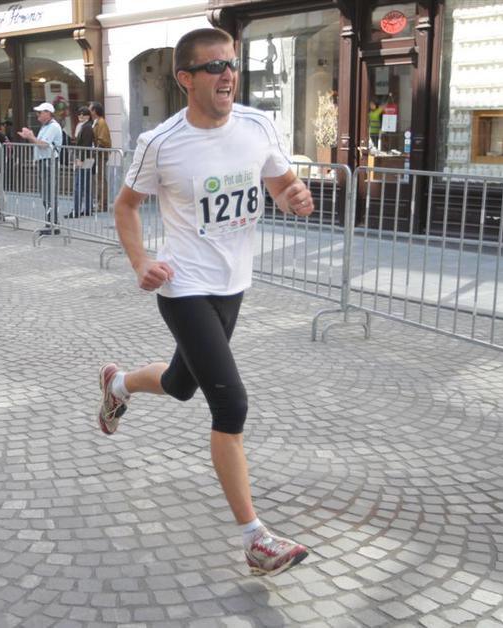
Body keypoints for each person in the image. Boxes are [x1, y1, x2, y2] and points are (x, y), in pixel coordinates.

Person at [96, 27, 316, 577]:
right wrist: (141, 263)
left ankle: (119, 385)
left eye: (232, 65)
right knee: (230, 404)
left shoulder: (258, 125)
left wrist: (293, 197)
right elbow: (126, 207)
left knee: (180, 384)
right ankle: (255, 539)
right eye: (214, 66)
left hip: (233, 284)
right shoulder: (162, 142)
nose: (228, 75)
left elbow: (281, 184)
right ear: (186, 79)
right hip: (184, 287)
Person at [19, 102, 63, 236]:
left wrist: (30, 136)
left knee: (49, 193)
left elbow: (44, 144)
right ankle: (50, 223)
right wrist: (31, 137)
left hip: (49, 161)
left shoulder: (53, 126)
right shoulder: (46, 126)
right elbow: (40, 143)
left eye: (40, 112)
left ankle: (53, 224)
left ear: (48, 113)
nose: (37, 114)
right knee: (46, 193)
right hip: (44, 161)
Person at [68, 106, 95, 218]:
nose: (81, 116)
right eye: (79, 114)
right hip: (87, 159)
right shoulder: (85, 126)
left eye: (84, 114)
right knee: (86, 185)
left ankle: (77, 211)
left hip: (84, 159)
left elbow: (86, 145)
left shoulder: (87, 127)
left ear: (88, 116)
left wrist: (81, 160)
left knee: (79, 186)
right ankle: (88, 209)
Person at [89, 101, 111, 212]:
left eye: (90, 109)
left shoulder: (101, 123)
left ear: (94, 111)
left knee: (101, 179)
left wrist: (95, 148)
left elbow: (103, 140)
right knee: (99, 179)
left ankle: (102, 204)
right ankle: (100, 203)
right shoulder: (96, 122)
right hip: (97, 154)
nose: (89, 111)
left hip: (100, 155)